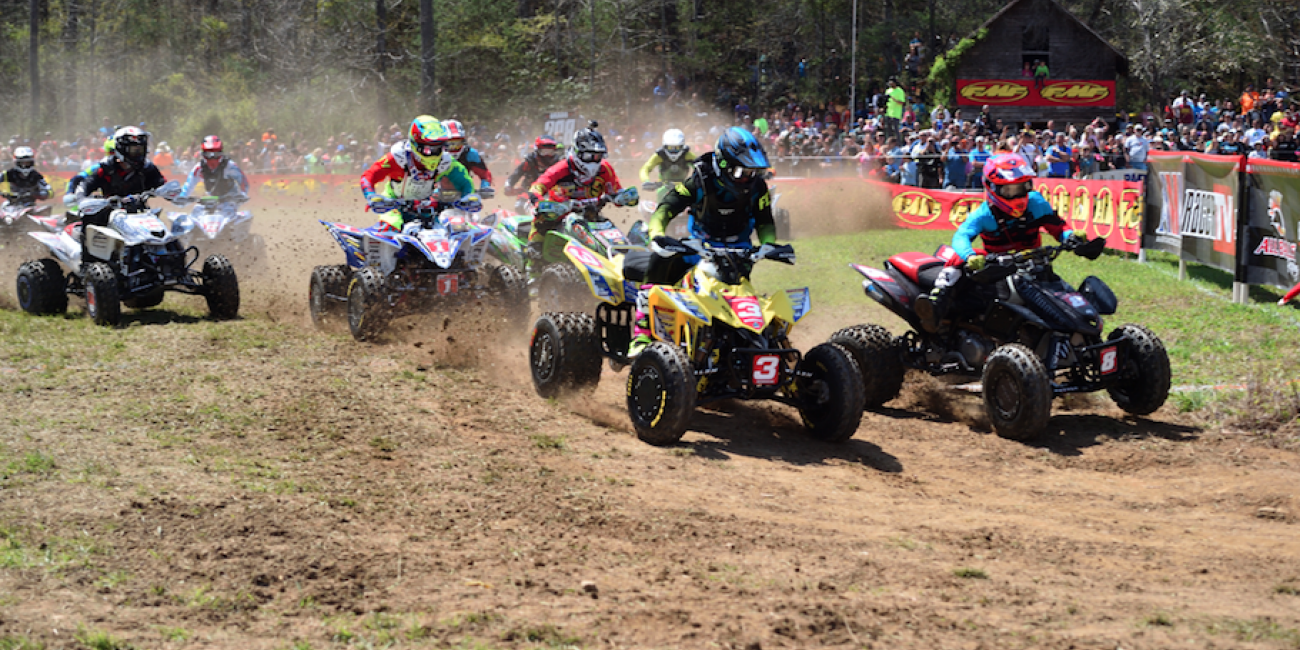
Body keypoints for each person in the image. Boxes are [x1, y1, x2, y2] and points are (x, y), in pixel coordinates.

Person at [629, 126, 780, 357]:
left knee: (739, 301)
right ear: (723, 165)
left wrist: (769, 245)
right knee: (660, 263)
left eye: (752, 172)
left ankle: (742, 348)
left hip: (740, 251)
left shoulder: (757, 187)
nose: (748, 177)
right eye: (742, 172)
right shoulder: (701, 180)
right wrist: (657, 233)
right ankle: (642, 333)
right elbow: (666, 207)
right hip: (699, 247)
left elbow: (765, 221)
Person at [913, 153, 1081, 333]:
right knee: (960, 258)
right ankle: (936, 303)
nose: (1017, 195)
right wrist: (969, 256)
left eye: (1022, 187)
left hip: (1035, 267)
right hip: (998, 270)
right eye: (1009, 191)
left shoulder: (1036, 203)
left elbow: (1058, 227)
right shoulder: (985, 214)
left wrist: (1071, 237)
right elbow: (961, 236)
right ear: (992, 188)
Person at [525, 122, 636, 260]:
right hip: (558, 216)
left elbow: (616, 192)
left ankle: (618, 260)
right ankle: (532, 261)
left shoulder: (605, 169)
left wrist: (623, 197)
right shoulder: (561, 168)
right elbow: (537, 186)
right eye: (589, 156)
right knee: (542, 221)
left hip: (591, 217)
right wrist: (538, 201)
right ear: (578, 152)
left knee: (608, 229)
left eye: (597, 156)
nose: (594, 160)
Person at [359, 115, 479, 233]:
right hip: (393, 205)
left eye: (438, 148)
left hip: (425, 207)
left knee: (448, 233)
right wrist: (371, 196)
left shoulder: (445, 161)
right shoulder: (398, 157)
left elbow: (465, 181)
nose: (434, 153)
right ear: (416, 145)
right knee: (392, 227)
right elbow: (369, 176)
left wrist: (468, 197)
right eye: (429, 149)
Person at [64, 126, 167, 249]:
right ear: (122, 149)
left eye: (141, 149)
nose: (138, 154)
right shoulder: (106, 168)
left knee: (162, 232)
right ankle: (86, 261)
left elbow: (163, 184)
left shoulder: (148, 168)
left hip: (139, 211)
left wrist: (171, 193)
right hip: (109, 211)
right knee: (91, 218)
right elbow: (85, 184)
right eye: (134, 150)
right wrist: (81, 198)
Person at [179, 136, 251, 201]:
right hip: (211, 199)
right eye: (209, 154)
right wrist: (182, 197)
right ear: (203, 154)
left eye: (215, 154)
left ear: (220, 153)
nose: (212, 157)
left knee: (226, 213)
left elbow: (243, 181)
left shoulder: (229, 165)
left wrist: (242, 194)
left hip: (229, 199)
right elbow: (189, 185)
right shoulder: (199, 167)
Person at [442, 119, 494, 196]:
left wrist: (485, 187)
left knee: (475, 204)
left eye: (458, 142)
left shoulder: (470, 153)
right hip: (436, 194)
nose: (454, 147)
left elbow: (484, 174)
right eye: (450, 143)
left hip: (463, 192)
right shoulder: (433, 154)